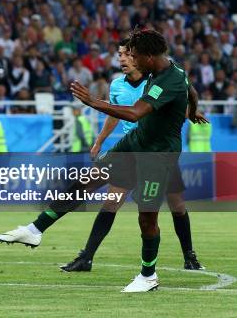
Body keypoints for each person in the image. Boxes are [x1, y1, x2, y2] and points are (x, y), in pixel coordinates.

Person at [0, 30, 207, 292]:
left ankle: (148, 276)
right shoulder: (167, 68)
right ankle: (35, 230)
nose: (132, 60)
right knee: (86, 182)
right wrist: (194, 111)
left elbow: (134, 114)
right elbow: (192, 90)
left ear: (149, 57)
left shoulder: (168, 79)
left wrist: (92, 101)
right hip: (136, 143)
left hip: (158, 154)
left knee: (147, 218)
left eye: (135, 56)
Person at [61, 41, 203, 273]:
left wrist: (191, 111)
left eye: (127, 54)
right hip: (130, 150)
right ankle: (86, 257)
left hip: (159, 152)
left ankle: (189, 256)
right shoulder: (117, 85)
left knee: (176, 205)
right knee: (111, 203)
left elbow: (180, 95)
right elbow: (114, 117)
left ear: (141, 57)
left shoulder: (157, 78)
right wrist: (99, 140)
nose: (123, 59)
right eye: (120, 55)